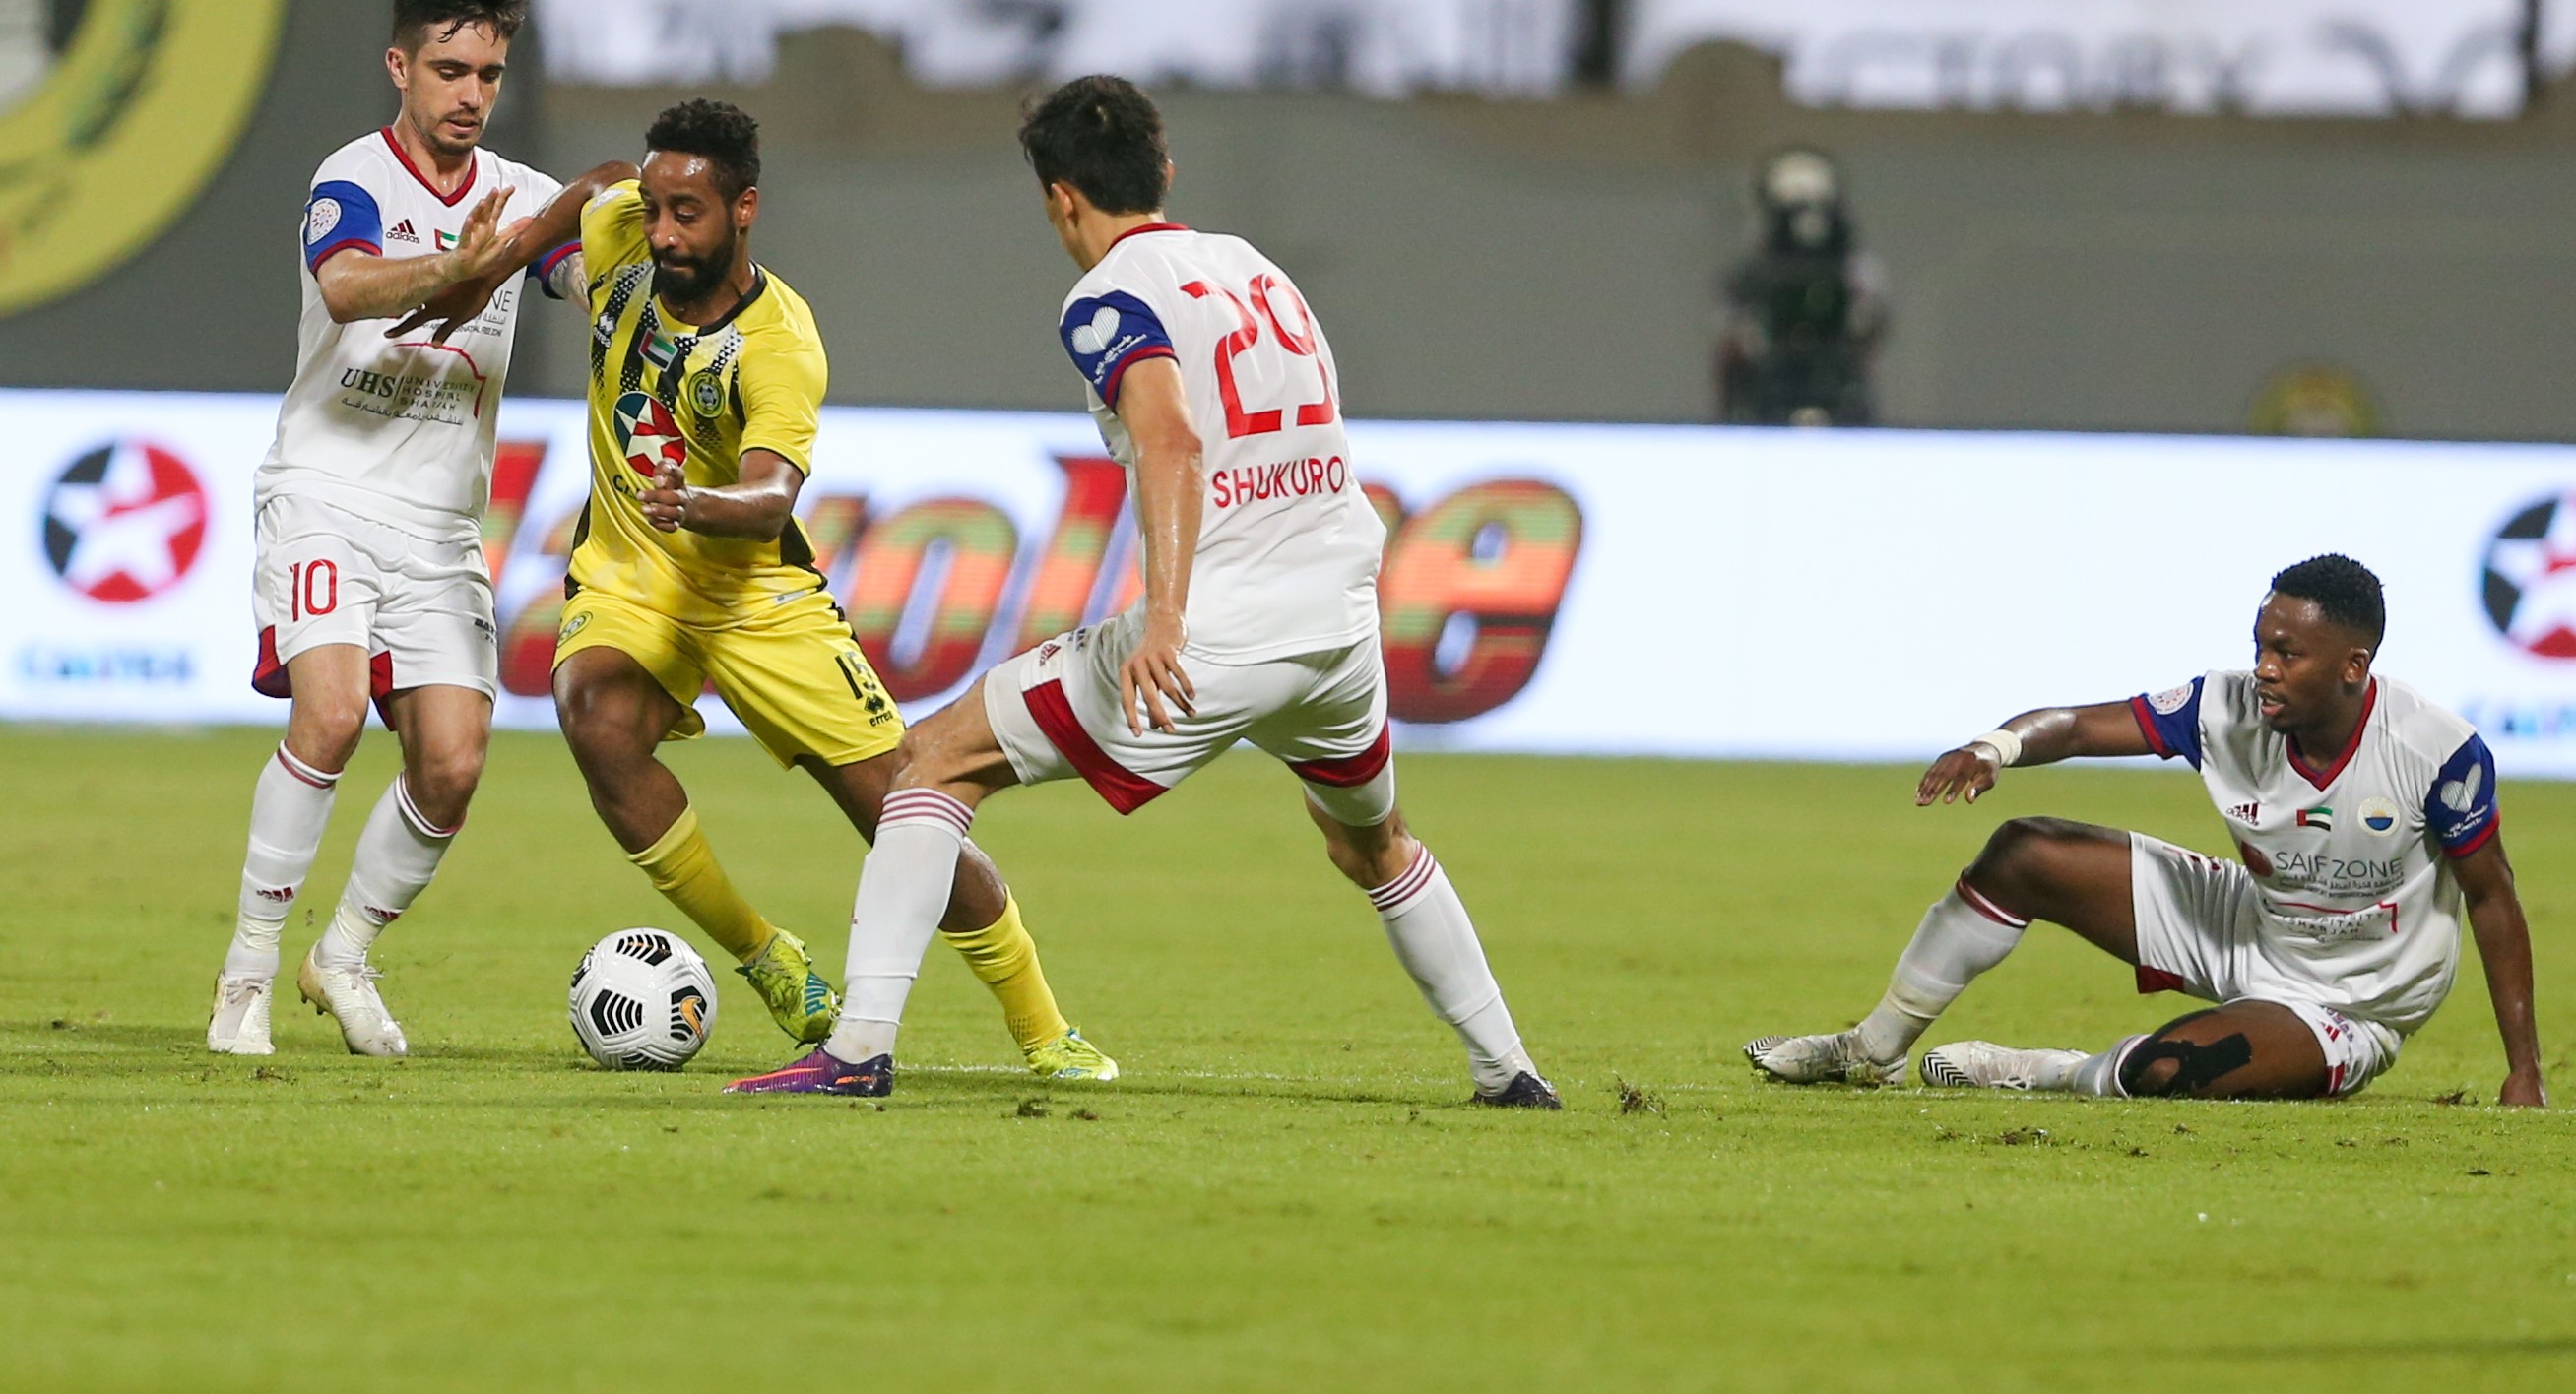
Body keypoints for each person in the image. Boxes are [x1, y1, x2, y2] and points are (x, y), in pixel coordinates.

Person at [729, 74, 1557, 1107]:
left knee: (931, 763)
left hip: (1218, 629)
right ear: (1163, 169)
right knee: (1371, 843)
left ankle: (856, 1050)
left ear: (1060, 198)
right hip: (1340, 623)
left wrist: (1166, 618)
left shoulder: (1107, 298)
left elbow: (1171, 437)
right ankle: (1510, 1069)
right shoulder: (1256, 268)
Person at [547, 97, 1114, 1078]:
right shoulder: (624, 236)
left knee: (906, 812)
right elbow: (596, 188)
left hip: (759, 600)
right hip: (631, 580)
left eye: (688, 213)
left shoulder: (778, 341)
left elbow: (770, 495)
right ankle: (768, 956)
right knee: (591, 711)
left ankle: (1041, 1024)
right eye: (656, 206)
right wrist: (505, 255)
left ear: (745, 209)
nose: (663, 231)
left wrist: (697, 501)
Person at [210, 0, 624, 1056]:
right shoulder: (351, 175)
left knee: (452, 762)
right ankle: (245, 974)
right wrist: (461, 264)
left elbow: (582, 278)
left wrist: (624, 278)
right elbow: (346, 284)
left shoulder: (526, 194)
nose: (470, 93)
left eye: (488, 72)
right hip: (325, 491)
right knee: (332, 713)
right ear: (400, 66)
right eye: (448, 69)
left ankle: (342, 954)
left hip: (440, 524)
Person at [1747, 555, 2546, 1106]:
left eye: (2287, 651)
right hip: (2249, 919)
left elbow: (2493, 898)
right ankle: (1871, 1050)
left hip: (2349, 1003)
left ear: (2352, 665)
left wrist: (2524, 1071)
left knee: (2165, 1069)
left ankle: (2045, 1070)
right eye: (2260, 645)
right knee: (2023, 853)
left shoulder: (2435, 752)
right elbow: (2079, 726)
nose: (2264, 667)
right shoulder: (2225, 706)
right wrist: (1994, 747)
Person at [1715, 147, 1887, 427]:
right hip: (1769, 398)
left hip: (1841, 396)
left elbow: (1871, 332)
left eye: (1817, 204)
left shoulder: (1856, 272)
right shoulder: (1751, 276)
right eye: (1794, 207)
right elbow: (1733, 342)